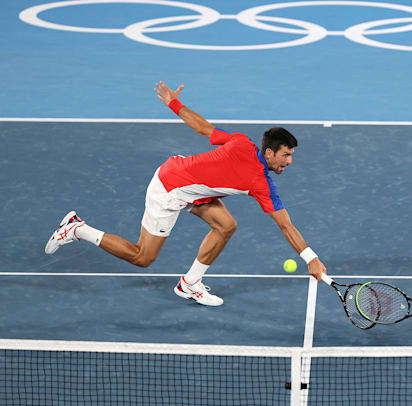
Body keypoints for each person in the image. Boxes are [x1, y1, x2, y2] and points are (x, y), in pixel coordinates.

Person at [45, 81, 327, 306]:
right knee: (142, 257)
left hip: (184, 178)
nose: (289, 161)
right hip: (169, 189)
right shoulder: (261, 184)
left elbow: (203, 128)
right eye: (286, 155)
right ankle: (77, 229)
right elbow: (285, 225)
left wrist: (173, 103)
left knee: (226, 225)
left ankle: (189, 284)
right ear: (269, 152)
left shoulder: (242, 141)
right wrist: (311, 258)